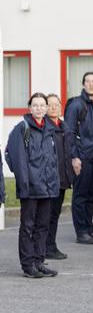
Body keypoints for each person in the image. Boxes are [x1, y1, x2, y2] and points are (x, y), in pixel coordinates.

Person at [5, 94, 60, 278]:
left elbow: (52, 160)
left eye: (42, 105)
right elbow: (15, 158)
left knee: (43, 226)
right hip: (30, 188)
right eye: (35, 105)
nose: (38, 108)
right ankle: (28, 265)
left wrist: (53, 183)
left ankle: (38, 261)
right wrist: (24, 183)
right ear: (30, 108)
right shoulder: (22, 129)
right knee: (27, 227)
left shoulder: (49, 129)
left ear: (46, 108)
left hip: (47, 188)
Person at [63, 71, 93, 244]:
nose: (91, 84)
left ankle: (89, 229)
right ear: (83, 84)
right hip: (82, 157)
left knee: (92, 195)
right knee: (80, 195)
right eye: (87, 81)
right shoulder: (76, 104)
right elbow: (69, 132)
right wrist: (74, 156)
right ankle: (81, 231)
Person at [45, 94, 73, 261]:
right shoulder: (45, 127)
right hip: (49, 179)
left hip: (62, 178)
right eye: (50, 104)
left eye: (57, 104)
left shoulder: (64, 127)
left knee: (54, 214)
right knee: (46, 216)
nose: (54, 107)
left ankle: (51, 245)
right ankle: (45, 247)